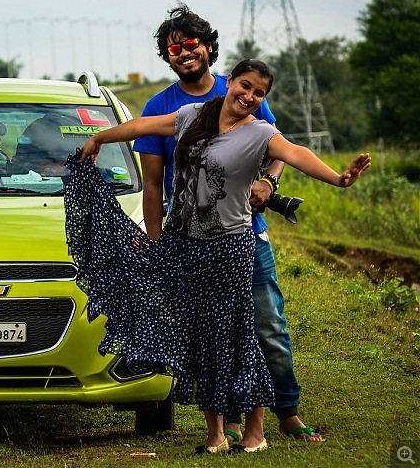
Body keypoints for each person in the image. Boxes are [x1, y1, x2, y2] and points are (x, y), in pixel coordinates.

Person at [66, 59, 370, 454]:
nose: (249, 96)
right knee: (200, 339)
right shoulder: (193, 115)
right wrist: (100, 138)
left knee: (241, 335)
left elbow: (298, 152)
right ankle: (216, 436)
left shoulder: (259, 133)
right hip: (184, 242)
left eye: (259, 93)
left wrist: (339, 178)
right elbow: (143, 126)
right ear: (230, 83)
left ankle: (255, 432)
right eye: (245, 86)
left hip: (230, 246)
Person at [133, 3, 322, 443]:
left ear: (209, 47)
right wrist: (160, 245)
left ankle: (288, 412)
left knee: (266, 323)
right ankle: (230, 423)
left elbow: (278, 148)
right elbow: (154, 185)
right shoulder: (160, 106)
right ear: (167, 56)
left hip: (245, 236)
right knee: (210, 331)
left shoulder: (240, 89)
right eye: (173, 47)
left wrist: (268, 186)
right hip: (191, 240)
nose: (183, 52)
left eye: (190, 43)